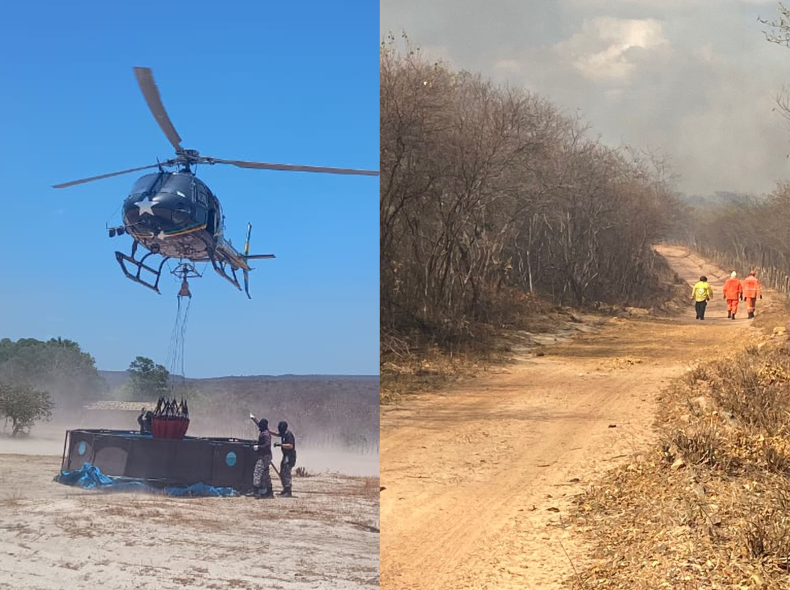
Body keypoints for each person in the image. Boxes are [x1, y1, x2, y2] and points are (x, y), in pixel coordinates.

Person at [271, 420, 296, 497]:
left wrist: (280, 445)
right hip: (285, 456)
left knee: (286, 473)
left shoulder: (288, 434)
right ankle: (285, 489)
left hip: (290, 456)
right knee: (282, 472)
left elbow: (290, 445)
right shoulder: (283, 434)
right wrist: (268, 431)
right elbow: (276, 434)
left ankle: (288, 491)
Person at [251, 418, 274, 499]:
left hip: (264, 456)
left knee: (257, 472)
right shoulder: (265, 432)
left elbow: (267, 445)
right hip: (266, 455)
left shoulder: (266, 434)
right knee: (265, 474)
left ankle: (256, 491)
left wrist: (259, 447)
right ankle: (269, 492)